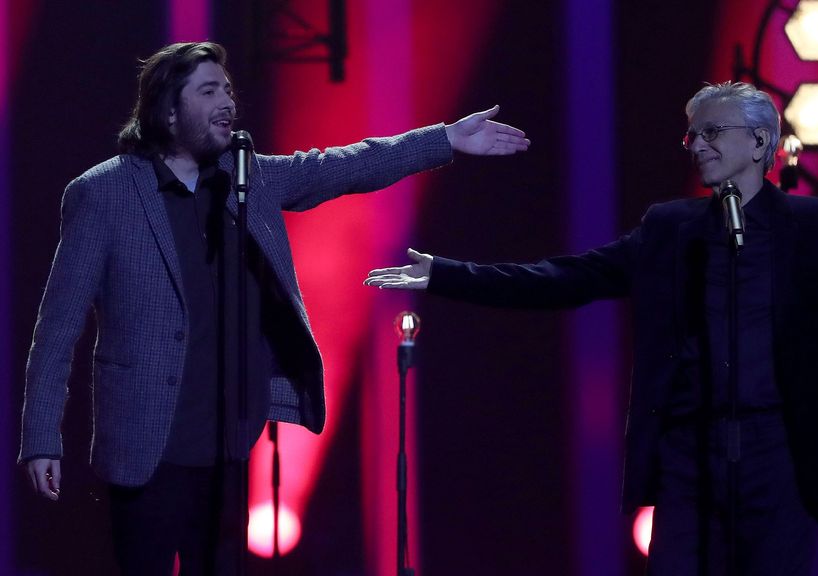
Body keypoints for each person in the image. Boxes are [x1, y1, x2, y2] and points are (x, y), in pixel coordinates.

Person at [364, 81, 818, 575]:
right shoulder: (669, 229)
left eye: (712, 132)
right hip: (688, 455)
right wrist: (446, 274)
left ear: (760, 142)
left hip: (783, 455)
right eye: (693, 135)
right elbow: (565, 279)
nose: (698, 144)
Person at [18, 41, 529, 575]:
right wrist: (39, 438)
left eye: (229, 90)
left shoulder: (247, 179)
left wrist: (444, 138)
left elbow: (345, 166)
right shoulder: (103, 194)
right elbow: (56, 327)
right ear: (168, 111)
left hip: (229, 444)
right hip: (145, 445)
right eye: (209, 91)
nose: (227, 103)